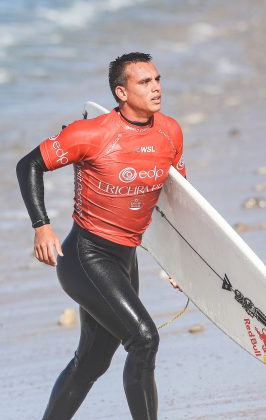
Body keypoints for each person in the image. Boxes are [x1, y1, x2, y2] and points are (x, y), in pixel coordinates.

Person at [16, 52, 186, 420]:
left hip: (125, 259)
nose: (156, 87)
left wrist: (181, 263)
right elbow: (29, 164)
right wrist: (41, 225)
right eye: (145, 82)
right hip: (86, 257)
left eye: (157, 79)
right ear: (122, 92)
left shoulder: (170, 132)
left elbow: (178, 203)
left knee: (91, 363)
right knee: (144, 340)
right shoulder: (91, 134)